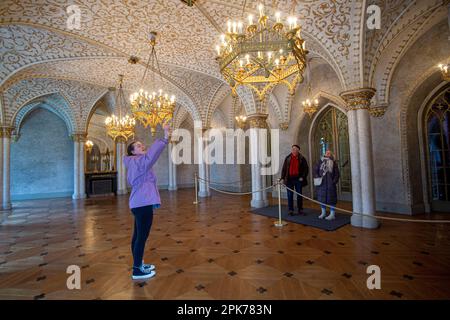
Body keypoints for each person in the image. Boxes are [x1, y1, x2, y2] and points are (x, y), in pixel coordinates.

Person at [124, 124, 170, 280]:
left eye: (141, 144)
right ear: (132, 151)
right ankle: (137, 270)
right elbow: (152, 155)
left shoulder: (134, 162)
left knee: (137, 236)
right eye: (138, 145)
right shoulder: (139, 162)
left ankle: (138, 263)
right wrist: (164, 137)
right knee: (141, 237)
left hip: (139, 202)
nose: (142, 146)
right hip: (142, 203)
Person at [280, 144, 309, 215]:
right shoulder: (288, 158)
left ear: (298, 150)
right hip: (289, 179)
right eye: (293, 149)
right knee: (290, 195)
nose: (293, 150)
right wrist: (282, 178)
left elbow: (306, 169)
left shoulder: (302, 158)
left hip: (298, 179)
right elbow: (284, 169)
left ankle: (300, 209)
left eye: (295, 149)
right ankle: (291, 210)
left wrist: (303, 177)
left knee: (299, 195)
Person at [314, 149, 340, 220]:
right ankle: (323, 213)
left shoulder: (334, 163)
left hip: (330, 184)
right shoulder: (320, 161)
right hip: (322, 184)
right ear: (324, 154)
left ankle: (332, 214)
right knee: (322, 199)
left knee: (332, 199)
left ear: (331, 154)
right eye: (327, 153)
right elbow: (316, 170)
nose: (328, 154)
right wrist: (317, 177)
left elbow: (337, 174)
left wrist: (333, 181)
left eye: (329, 153)